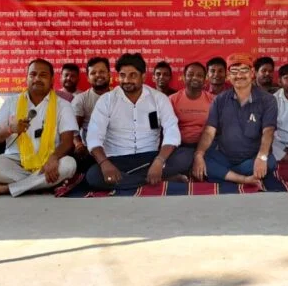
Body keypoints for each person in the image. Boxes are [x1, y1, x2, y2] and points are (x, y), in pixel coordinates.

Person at [0, 59, 79, 197]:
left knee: (69, 164)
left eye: (43, 75)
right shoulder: (12, 102)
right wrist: (10, 129)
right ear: (27, 78)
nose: (37, 79)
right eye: (33, 74)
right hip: (16, 161)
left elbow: (67, 142)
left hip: (48, 161)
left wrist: (54, 158)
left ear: (52, 80)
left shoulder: (63, 105)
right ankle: (42, 183)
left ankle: (5, 188)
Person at [85, 53, 183, 190]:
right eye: (122, 75)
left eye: (132, 75)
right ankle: (158, 179)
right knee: (93, 176)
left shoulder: (159, 99)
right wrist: (104, 163)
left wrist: (159, 161)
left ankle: (128, 180)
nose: (126, 80)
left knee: (185, 157)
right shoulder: (106, 100)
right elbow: (93, 137)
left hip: (150, 158)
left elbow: (172, 131)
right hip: (117, 160)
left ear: (143, 76)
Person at [191, 53, 278, 190]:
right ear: (228, 76)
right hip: (225, 156)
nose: (239, 75)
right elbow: (209, 131)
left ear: (252, 73)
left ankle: (225, 175)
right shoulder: (219, 100)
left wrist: (261, 157)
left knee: (270, 161)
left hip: (252, 158)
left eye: (244, 70)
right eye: (234, 71)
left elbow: (268, 131)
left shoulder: (268, 100)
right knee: (201, 158)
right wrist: (199, 154)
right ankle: (244, 178)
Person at [166, 62, 215, 178]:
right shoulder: (172, 99)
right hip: (181, 147)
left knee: (213, 167)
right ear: (184, 77)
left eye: (199, 75)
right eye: (190, 74)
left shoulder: (213, 100)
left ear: (205, 79)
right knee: (181, 161)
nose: (195, 78)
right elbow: (167, 129)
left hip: (206, 147)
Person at [72, 57, 112, 162]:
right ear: (88, 78)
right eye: (93, 73)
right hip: (91, 151)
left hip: (116, 149)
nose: (98, 75)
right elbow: (73, 130)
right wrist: (78, 144)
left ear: (109, 74)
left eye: (102, 72)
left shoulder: (119, 97)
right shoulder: (81, 99)